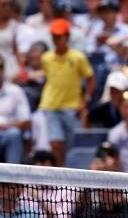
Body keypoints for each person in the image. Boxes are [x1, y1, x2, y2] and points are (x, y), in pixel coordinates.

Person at [39, 18, 94, 167]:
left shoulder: (78, 57)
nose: (56, 40)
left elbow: (91, 78)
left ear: (67, 37)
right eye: (54, 37)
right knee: (55, 143)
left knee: (72, 146)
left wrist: (84, 102)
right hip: (51, 106)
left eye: (59, 36)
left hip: (72, 107)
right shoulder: (46, 58)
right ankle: (61, 176)